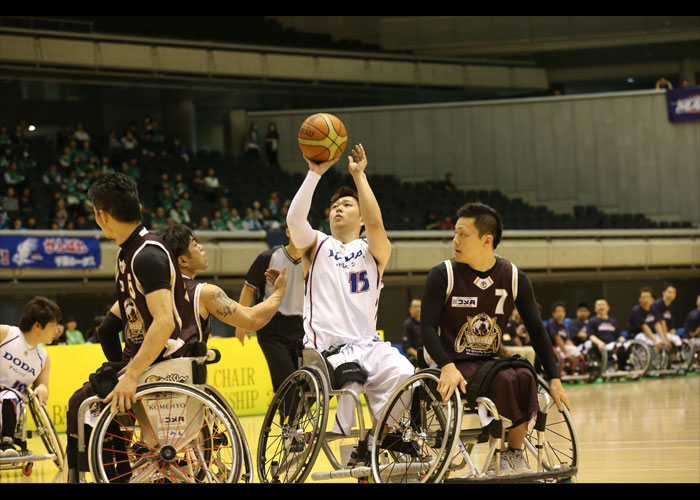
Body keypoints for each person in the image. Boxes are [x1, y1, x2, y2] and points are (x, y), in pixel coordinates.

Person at [64, 171, 201, 482]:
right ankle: (108, 475)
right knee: (91, 392)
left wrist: (131, 375)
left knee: (86, 403)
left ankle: (106, 477)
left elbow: (165, 321)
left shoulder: (147, 254)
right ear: (138, 207)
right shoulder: (129, 252)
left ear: (101, 215)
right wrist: (119, 368)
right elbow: (109, 326)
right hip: (145, 359)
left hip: (163, 360)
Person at [286, 143, 415, 466]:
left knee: (405, 372)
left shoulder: (374, 250)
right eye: (334, 207)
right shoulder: (316, 245)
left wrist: (359, 177)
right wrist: (314, 174)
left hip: (369, 345)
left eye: (347, 205)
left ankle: (377, 437)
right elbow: (294, 219)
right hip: (327, 350)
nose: (338, 209)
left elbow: (376, 224)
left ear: (360, 216)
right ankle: (350, 439)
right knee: (350, 374)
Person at [420, 202, 568, 476]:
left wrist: (555, 378)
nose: (455, 240)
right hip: (448, 359)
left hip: (487, 361)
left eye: (463, 234)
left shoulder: (513, 277)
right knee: (501, 379)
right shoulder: (443, 274)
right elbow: (426, 327)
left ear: (486, 240)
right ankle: (496, 455)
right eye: (455, 233)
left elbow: (537, 330)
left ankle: (513, 454)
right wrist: (446, 366)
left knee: (523, 373)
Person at [98, 223, 289, 364]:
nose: (201, 247)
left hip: (141, 381)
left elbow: (106, 331)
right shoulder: (204, 293)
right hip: (181, 386)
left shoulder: (141, 291)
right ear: (182, 260)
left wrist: (120, 367)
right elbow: (252, 319)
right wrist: (279, 293)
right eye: (195, 243)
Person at [235, 228, 304, 393]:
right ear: (288, 232)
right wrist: (240, 323)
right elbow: (248, 289)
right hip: (271, 326)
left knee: (306, 383)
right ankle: (287, 418)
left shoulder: (313, 260)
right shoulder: (268, 257)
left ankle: (289, 418)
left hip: (302, 327)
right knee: (287, 381)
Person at [0, 296, 62, 458]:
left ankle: (6, 444)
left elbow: (42, 386)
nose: (57, 331)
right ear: (37, 325)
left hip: (12, 403)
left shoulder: (43, 358)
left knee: (9, 397)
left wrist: (42, 389)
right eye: (53, 325)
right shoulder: (5, 334)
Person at [629, 287, 675, 352]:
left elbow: (657, 325)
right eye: (644, 297)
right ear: (639, 299)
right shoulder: (636, 310)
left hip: (650, 333)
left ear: (652, 299)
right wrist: (655, 341)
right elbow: (645, 327)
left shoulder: (653, 309)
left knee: (668, 341)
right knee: (651, 342)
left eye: (648, 297)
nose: (646, 300)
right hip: (637, 334)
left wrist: (665, 340)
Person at [546, 301, 581, 374]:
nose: (561, 313)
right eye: (558, 311)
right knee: (571, 357)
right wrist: (567, 353)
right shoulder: (552, 322)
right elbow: (557, 339)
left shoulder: (562, 326)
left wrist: (575, 349)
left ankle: (572, 372)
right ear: (553, 313)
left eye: (562, 311)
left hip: (561, 346)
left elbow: (567, 340)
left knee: (578, 355)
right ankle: (567, 373)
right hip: (552, 348)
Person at [400, 299, 422, 364]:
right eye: (415, 306)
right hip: (413, 358)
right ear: (410, 309)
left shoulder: (426, 324)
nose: (418, 309)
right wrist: (418, 355)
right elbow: (406, 346)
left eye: (420, 306)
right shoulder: (408, 324)